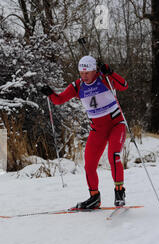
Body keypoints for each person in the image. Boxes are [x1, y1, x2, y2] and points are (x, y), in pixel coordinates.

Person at [40, 55, 128, 209]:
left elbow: (124, 86)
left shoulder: (104, 79)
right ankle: (94, 197)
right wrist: (50, 94)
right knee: (89, 165)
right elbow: (59, 100)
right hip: (97, 129)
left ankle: (119, 192)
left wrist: (111, 72)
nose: (84, 76)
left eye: (87, 72)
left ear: (95, 70)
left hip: (116, 124)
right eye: (81, 72)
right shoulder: (77, 85)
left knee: (114, 156)